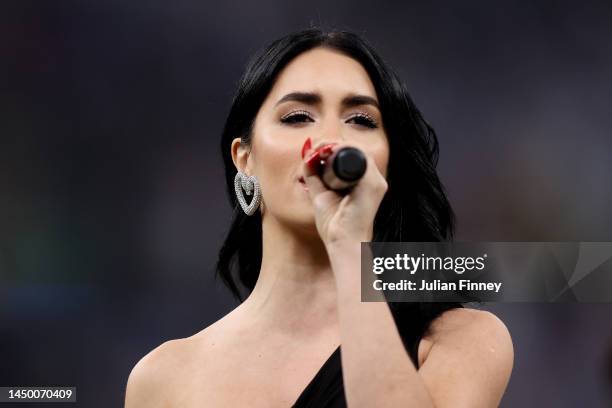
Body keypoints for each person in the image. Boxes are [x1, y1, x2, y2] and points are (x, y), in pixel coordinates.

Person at [124, 28, 514, 407]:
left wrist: (348, 244)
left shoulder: (461, 341)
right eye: (297, 117)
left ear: (386, 165)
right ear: (246, 159)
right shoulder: (163, 379)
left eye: (361, 120)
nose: (330, 139)